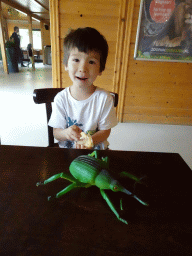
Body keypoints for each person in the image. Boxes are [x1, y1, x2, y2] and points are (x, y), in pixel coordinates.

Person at [48, 27, 118, 149]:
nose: (83, 68)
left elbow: (105, 132)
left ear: (100, 69)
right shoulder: (61, 98)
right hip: (68, 154)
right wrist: (66, 133)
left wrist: (89, 141)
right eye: (76, 59)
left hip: (96, 153)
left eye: (91, 62)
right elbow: (56, 133)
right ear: (66, 65)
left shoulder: (104, 98)